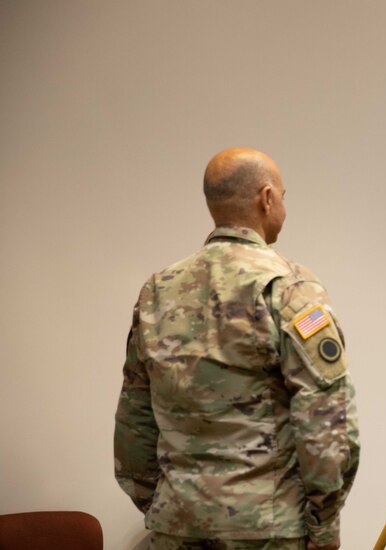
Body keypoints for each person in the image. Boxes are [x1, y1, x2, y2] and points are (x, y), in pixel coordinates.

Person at [114, 147, 359, 550]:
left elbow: (134, 419)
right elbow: (325, 419)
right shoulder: (290, 287)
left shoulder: (158, 290)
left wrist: (168, 506)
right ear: (267, 199)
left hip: (178, 526)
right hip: (267, 530)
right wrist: (325, 526)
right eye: (283, 194)